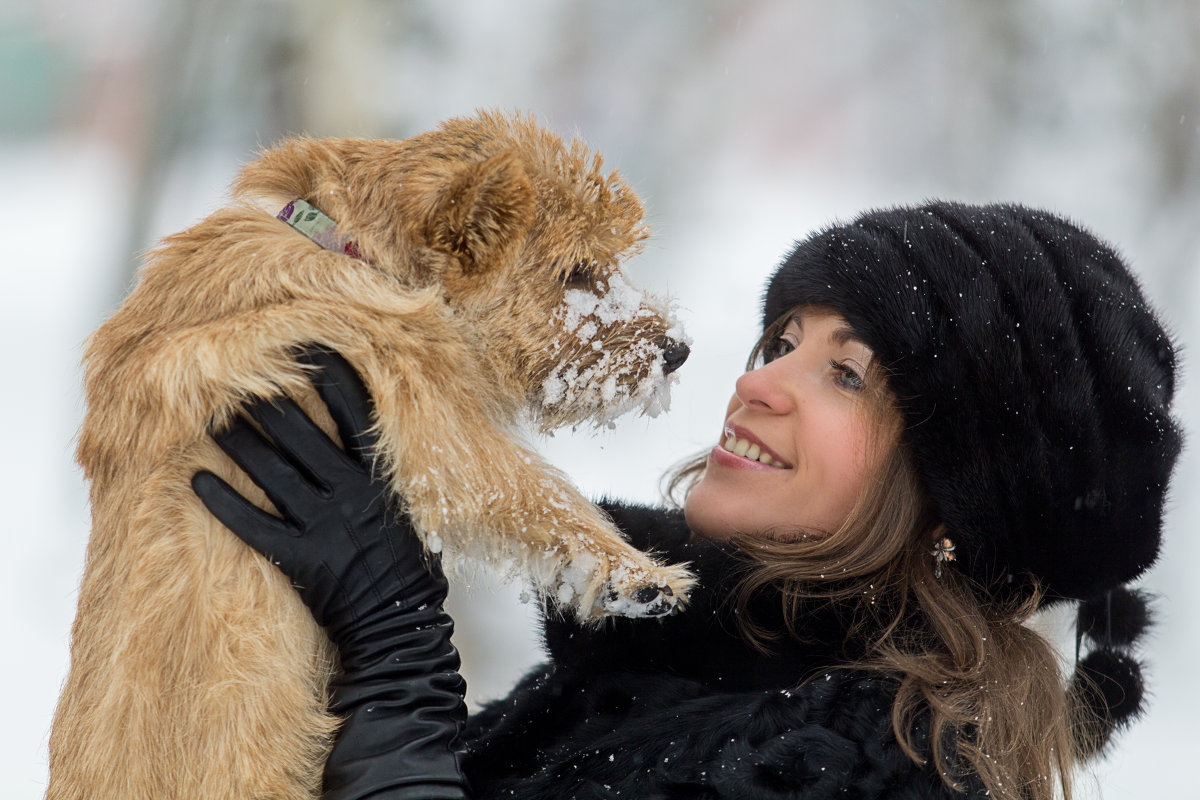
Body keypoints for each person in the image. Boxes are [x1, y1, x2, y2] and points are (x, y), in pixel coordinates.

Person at [193, 201, 1182, 799]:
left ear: (958, 503)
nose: (759, 382)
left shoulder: (877, 766)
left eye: (846, 373)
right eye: (782, 339)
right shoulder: (672, 657)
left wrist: (392, 640)